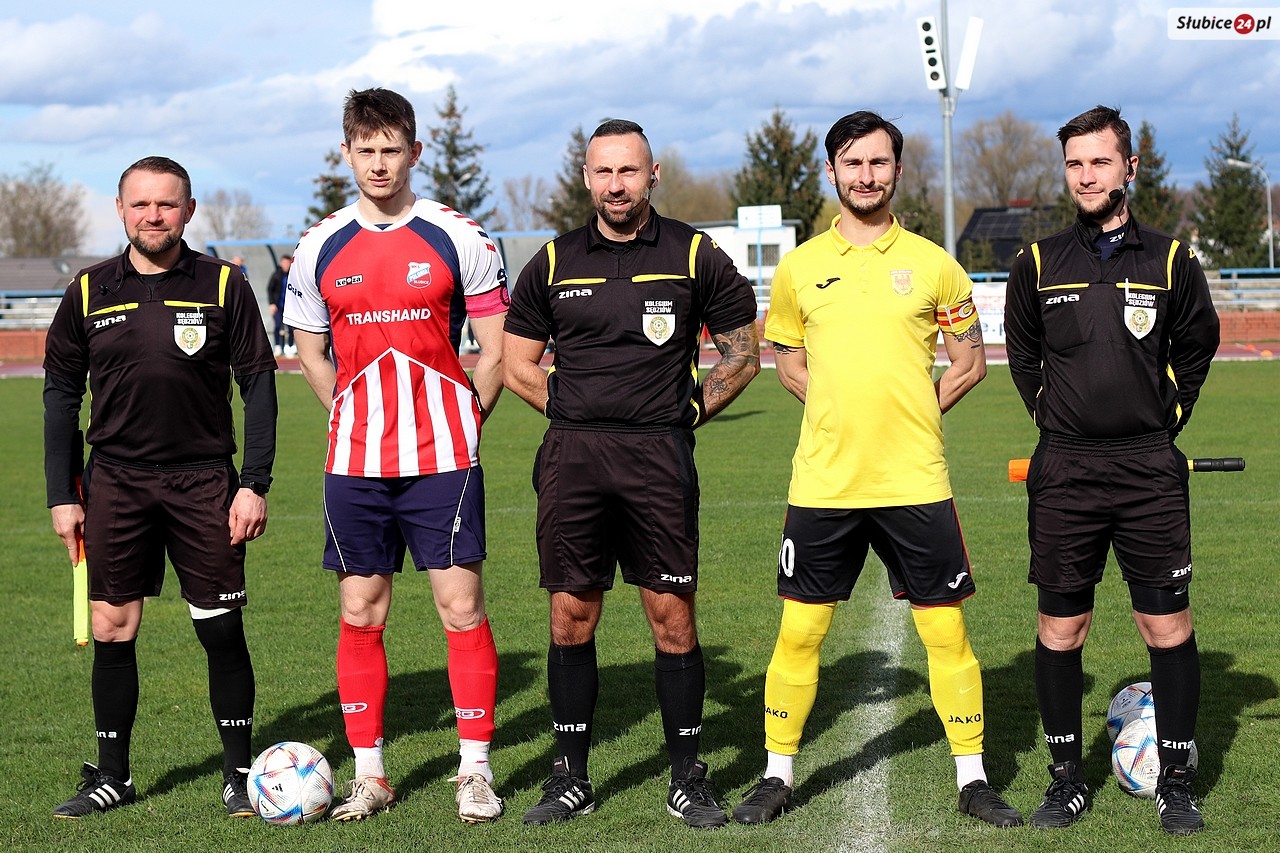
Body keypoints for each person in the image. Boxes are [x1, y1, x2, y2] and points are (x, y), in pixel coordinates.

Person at [732, 111, 1021, 829]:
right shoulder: (799, 267)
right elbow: (788, 363)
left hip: (914, 481)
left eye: (879, 162)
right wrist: (839, 408)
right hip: (823, 483)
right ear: (832, 171)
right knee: (799, 634)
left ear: (897, 170)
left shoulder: (936, 264)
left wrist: (914, 412)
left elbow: (970, 363)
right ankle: (775, 775)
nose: (866, 176)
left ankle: (974, 778)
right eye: (853, 163)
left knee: (945, 635)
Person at [503, 118, 761, 830]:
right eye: (603, 171)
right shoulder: (553, 261)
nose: (616, 185)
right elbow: (517, 363)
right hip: (574, 460)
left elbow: (744, 352)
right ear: (586, 178)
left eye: (629, 170)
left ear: (653, 175)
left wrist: (691, 410)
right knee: (570, 614)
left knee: (671, 614)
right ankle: (570, 777)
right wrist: (570, 408)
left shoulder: (693, 253)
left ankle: (687, 778)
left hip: (657, 459)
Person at [285, 87, 508, 824]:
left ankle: (474, 770)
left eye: (391, 150)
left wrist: (466, 420)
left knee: (461, 606)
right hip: (355, 464)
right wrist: (353, 415)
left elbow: (496, 348)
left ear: (414, 152)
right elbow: (311, 353)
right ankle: (371, 775)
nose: (379, 164)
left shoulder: (460, 237)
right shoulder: (319, 246)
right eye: (366, 151)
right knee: (360, 609)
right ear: (346, 153)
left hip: (443, 458)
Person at [1004, 105, 1219, 836]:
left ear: (1131, 166)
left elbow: (1197, 347)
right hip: (1065, 468)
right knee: (1062, 626)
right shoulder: (1037, 264)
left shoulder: (1171, 259)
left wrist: (1166, 420)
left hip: (1147, 468)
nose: (1086, 175)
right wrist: (1053, 416)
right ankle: (1066, 779)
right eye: (1075, 163)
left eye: (1100, 161)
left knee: (1165, 622)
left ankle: (1177, 783)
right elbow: (1023, 354)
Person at [42, 156, 278, 819]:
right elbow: (60, 395)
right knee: (112, 626)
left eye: (167, 204)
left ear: (188, 211)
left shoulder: (223, 283)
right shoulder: (88, 290)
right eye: (141, 204)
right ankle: (112, 775)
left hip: (204, 482)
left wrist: (253, 484)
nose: (154, 215)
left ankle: (239, 774)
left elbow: (258, 384)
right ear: (120, 210)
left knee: (220, 628)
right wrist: (63, 495)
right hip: (115, 482)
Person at [265, 254, 295, 356]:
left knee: (290, 327)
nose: (286, 265)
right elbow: (270, 289)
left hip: (290, 306)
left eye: (288, 263)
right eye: (284, 263)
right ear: (281, 263)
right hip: (278, 306)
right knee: (278, 326)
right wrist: (272, 304)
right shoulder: (276, 275)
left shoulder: (293, 275)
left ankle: (290, 346)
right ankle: (278, 346)